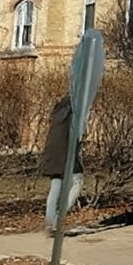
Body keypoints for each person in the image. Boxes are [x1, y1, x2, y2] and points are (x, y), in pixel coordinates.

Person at [40, 94, 83, 234]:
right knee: (77, 182)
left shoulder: (58, 112)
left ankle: (50, 221)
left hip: (52, 154)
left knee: (56, 185)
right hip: (65, 154)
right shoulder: (75, 114)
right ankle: (58, 217)